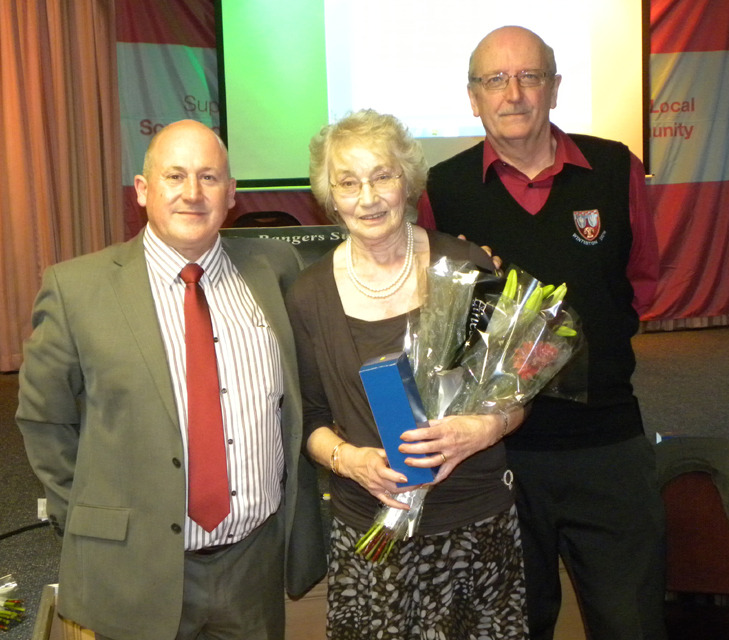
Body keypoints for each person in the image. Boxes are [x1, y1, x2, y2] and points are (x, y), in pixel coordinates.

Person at [16, 120, 326, 640]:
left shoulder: (275, 268)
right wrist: (96, 519)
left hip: (253, 565)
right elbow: (45, 421)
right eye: (175, 175)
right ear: (143, 190)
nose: (192, 192)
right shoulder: (77, 289)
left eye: (209, 177)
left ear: (231, 193)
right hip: (134, 569)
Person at [417, 26, 666, 640]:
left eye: (529, 77)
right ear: (473, 97)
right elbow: (432, 316)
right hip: (498, 458)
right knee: (513, 627)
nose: (514, 94)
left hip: (607, 441)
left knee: (631, 622)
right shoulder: (442, 190)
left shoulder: (613, 169)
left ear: (554, 88)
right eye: (495, 80)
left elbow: (641, 284)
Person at [286, 108, 528, 640]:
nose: (367, 197)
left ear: (408, 182)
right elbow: (309, 421)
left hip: (473, 520)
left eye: (382, 176)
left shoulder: (465, 265)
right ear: (330, 195)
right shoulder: (308, 295)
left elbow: (515, 392)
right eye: (348, 182)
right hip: (371, 526)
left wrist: (485, 428)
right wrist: (349, 461)